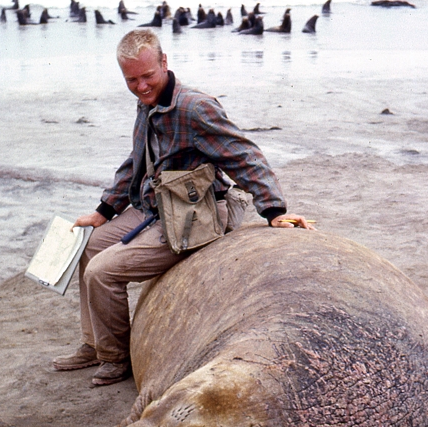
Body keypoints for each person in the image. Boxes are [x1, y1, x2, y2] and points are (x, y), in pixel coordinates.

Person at [53, 28, 311, 385]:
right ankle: (96, 345)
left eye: (148, 77)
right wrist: (104, 210)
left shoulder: (195, 107)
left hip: (195, 215)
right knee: (88, 246)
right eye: (131, 80)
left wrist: (274, 211)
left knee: (102, 271)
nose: (141, 87)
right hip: (155, 210)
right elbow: (137, 160)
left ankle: (116, 359)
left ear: (164, 63)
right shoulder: (147, 104)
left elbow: (244, 156)